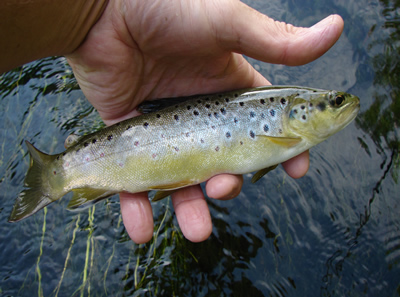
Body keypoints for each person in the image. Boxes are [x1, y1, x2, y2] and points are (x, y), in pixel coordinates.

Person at [0, 0, 344, 244]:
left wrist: (94, 12)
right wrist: (96, 11)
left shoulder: (291, 134)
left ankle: (59, 174)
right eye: (334, 102)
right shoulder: (288, 134)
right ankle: (54, 175)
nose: (343, 105)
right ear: (299, 110)